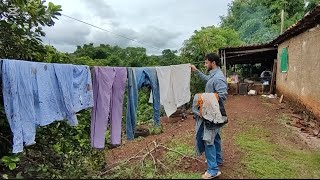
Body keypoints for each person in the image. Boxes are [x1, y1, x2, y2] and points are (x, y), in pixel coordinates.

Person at [190, 53, 228, 179]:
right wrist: (196, 71)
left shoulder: (219, 78)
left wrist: (202, 98)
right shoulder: (214, 75)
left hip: (213, 114)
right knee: (215, 137)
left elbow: (223, 95)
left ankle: (213, 170)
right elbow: (208, 80)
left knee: (208, 139)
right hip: (211, 112)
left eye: (206, 63)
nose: (205, 65)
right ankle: (218, 159)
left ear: (213, 63)